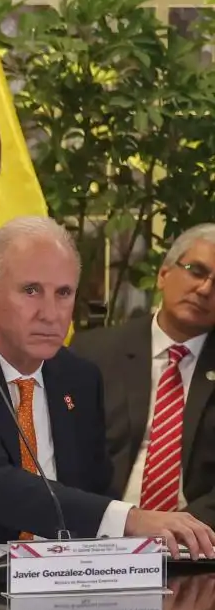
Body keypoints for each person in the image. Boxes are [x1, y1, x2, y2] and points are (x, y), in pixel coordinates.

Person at [0, 217, 215, 560]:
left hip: (51, 588)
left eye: (63, 293)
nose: (50, 313)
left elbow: (92, 491)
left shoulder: (78, 377)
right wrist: (133, 518)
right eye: (31, 291)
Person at [72, 224, 215, 526]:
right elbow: (63, 458)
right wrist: (120, 521)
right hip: (102, 534)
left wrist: (177, 528)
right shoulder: (94, 353)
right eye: (196, 271)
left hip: (197, 543)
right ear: (164, 275)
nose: (205, 289)